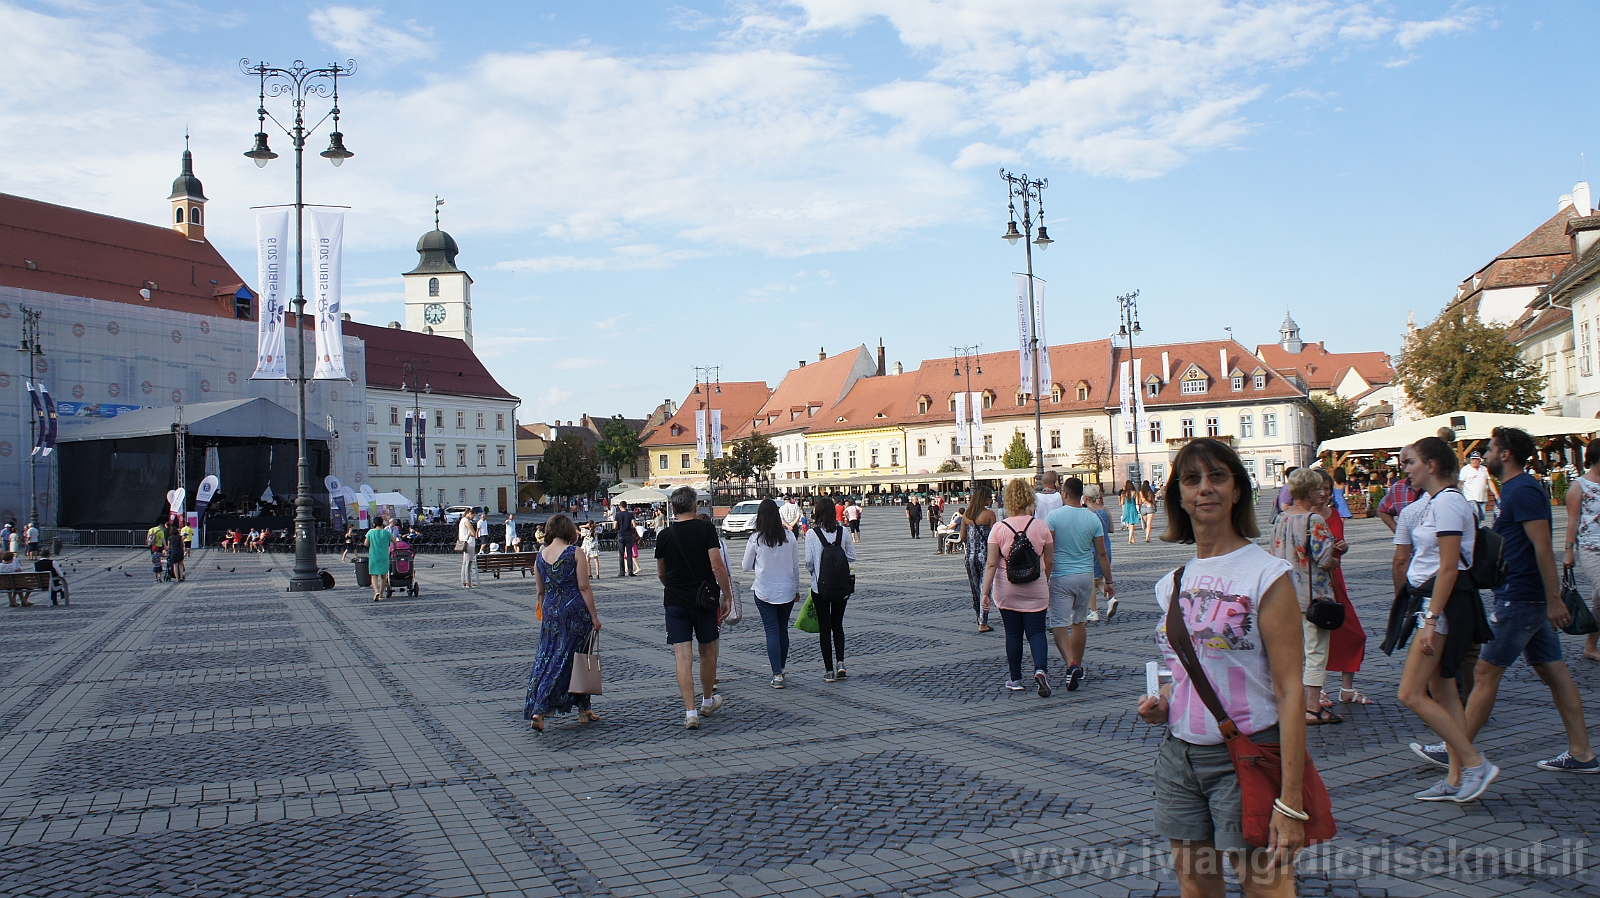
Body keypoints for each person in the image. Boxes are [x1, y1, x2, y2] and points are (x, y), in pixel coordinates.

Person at [1137, 437, 1309, 895]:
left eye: (1217, 477)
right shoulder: (1172, 582)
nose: (1204, 489)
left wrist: (1291, 802)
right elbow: (1186, 672)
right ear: (1180, 496)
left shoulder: (1265, 574)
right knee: (1195, 886)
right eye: (1192, 480)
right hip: (1179, 756)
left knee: (1265, 886)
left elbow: (1293, 690)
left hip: (1248, 752)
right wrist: (1165, 702)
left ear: (1238, 490)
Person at [1445, 428, 1596, 773]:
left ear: (1507, 453)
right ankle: (1582, 753)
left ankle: (1457, 751)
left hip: (1523, 595)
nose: (1485, 455)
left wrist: (1553, 598)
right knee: (1552, 670)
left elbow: (1542, 546)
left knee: (1485, 671)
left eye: (1491, 448)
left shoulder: (1523, 489)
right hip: (1523, 594)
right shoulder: (1515, 489)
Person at [1383, 436, 1497, 803]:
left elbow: (1449, 568)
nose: (1406, 469)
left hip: (1441, 604)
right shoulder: (1436, 503)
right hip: (1435, 602)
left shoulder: (1448, 503)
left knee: (1411, 693)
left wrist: (1431, 619)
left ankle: (1474, 763)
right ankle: (1455, 776)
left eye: (1410, 462)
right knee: (1444, 691)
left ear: (1431, 465)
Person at [1270, 467, 1343, 726]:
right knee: (1315, 651)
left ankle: (1289, 704)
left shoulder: (1281, 518)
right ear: (1310, 491)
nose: (1321, 492)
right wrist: (1336, 554)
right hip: (1313, 596)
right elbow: (1325, 560)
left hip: (1283, 595)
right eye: (1318, 488)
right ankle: (1313, 707)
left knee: (1290, 653)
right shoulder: (1314, 520)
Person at [655, 486, 731, 729]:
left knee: (682, 656)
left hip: (676, 601)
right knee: (707, 652)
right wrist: (726, 595)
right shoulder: (706, 529)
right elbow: (717, 566)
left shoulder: (664, 536)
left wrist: (674, 586)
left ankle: (690, 712)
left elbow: (661, 572)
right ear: (695, 506)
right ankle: (707, 701)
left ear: (674, 508)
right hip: (704, 599)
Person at [525, 514, 602, 731]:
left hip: (551, 610)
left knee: (549, 656)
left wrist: (546, 611)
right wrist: (594, 617)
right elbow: (584, 587)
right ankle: (541, 708)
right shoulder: (575, 553)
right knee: (576, 658)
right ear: (569, 530)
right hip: (574, 611)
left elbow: (540, 590)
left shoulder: (540, 555)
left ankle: (583, 708)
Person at [982, 479, 1055, 695]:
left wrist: (985, 593)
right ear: (1030, 498)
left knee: (1012, 634)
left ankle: (1016, 679)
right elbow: (1050, 561)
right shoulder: (1041, 526)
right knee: (1036, 632)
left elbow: (992, 563)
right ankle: (1041, 669)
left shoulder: (999, 528)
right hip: (1036, 587)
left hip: (1007, 589)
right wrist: (1044, 579)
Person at [1045, 477, 1114, 691]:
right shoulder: (1092, 518)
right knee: (1079, 622)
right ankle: (1079, 665)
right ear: (1081, 495)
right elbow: (1101, 553)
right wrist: (1109, 581)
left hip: (1061, 575)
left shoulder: (1054, 517)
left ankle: (1070, 664)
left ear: (1064, 493)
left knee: (1058, 624)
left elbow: (1049, 549)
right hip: (1085, 575)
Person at [1317, 468, 1372, 707]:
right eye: (1318, 488)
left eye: (1327, 489)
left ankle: (1346, 689)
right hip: (1315, 583)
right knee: (1314, 637)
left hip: (1336, 580)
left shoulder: (1335, 514)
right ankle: (1315, 690)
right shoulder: (1303, 516)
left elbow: (1340, 547)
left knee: (1353, 633)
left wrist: (1344, 546)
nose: (1323, 493)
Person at [743, 498, 800, 688]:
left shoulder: (756, 538)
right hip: (787, 589)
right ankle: (781, 668)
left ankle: (776, 674)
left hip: (764, 590)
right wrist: (796, 588)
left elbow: (745, 566)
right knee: (783, 630)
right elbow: (795, 566)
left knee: (771, 631)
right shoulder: (789, 537)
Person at [805, 496, 858, 682]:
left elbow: (808, 562)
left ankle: (828, 670)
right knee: (838, 624)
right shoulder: (843, 532)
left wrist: (816, 570)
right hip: (841, 586)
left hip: (820, 587)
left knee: (825, 628)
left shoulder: (812, 534)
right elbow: (851, 557)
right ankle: (841, 662)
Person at [1564, 437, 1600, 662]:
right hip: (1591, 549)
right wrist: (1568, 551)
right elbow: (1572, 521)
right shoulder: (1579, 486)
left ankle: (1590, 647)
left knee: (1599, 602)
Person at [957, 485, 997, 633]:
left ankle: (978, 617)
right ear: (983, 498)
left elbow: (962, 537)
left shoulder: (967, 514)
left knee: (975, 589)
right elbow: (994, 537)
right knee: (985, 588)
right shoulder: (990, 514)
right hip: (985, 556)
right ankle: (983, 622)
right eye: (989, 497)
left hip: (970, 557)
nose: (991, 499)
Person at [1083, 484, 1118, 622]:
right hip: (1107, 547)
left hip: (1094, 549)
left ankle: (1094, 611)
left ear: (1086, 497)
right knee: (1098, 580)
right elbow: (1111, 529)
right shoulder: (1106, 510)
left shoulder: (1088, 513)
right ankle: (1111, 599)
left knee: (1092, 581)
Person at [1460, 452, 1498, 522]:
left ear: (1480, 460)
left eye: (1476, 459)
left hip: (1482, 497)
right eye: (1473, 459)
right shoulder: (1465, 469)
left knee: (1481, 518)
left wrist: (1496, 494)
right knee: (1475, 516)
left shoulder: (1483, 469)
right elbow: (1460, 482)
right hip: (1470, 497)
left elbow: (1489, 481)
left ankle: (1478, 530)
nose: (1474, 461)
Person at [366, 515, 394, 602]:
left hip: (374, 556)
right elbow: (395, 542)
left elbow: (366, 543)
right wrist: (394, 549)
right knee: (383, 576)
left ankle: (376, 591)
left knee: (374, 576)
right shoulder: (386, 532)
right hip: (384, 556)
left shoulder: (370, 532)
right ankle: (381, 594)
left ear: (374, 524)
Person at [615, 501, 638, 577]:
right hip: (629, 535)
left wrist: (618, 528)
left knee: (621, 554)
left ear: (620, 506)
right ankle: (630, 571)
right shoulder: (630, 514)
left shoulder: (617, 514)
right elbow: (634, 524)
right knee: (629, 553)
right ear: (626, 506)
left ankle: (622, 572)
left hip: (621, 535)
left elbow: (615, 526)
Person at [457, 509, 479, 589]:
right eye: (473, 515)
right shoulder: (466, 521)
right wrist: (472, 533)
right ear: (469, 513)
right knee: (468, 563)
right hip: (469, 544)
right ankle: (468, 582)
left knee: (465, 563)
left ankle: (465, 581)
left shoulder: (462, 520)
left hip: (464, 543)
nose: (473, 517)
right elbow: (473, 533)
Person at [1119, 480, 1140, 544]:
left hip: (1126, 509)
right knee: (1132, 524)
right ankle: (1130, 539)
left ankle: (1132, 539)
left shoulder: (1124, 493)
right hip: (1133, 508)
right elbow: (1137, 503)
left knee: (1129, 523)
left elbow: (1121, 503)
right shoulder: (1135, 492)